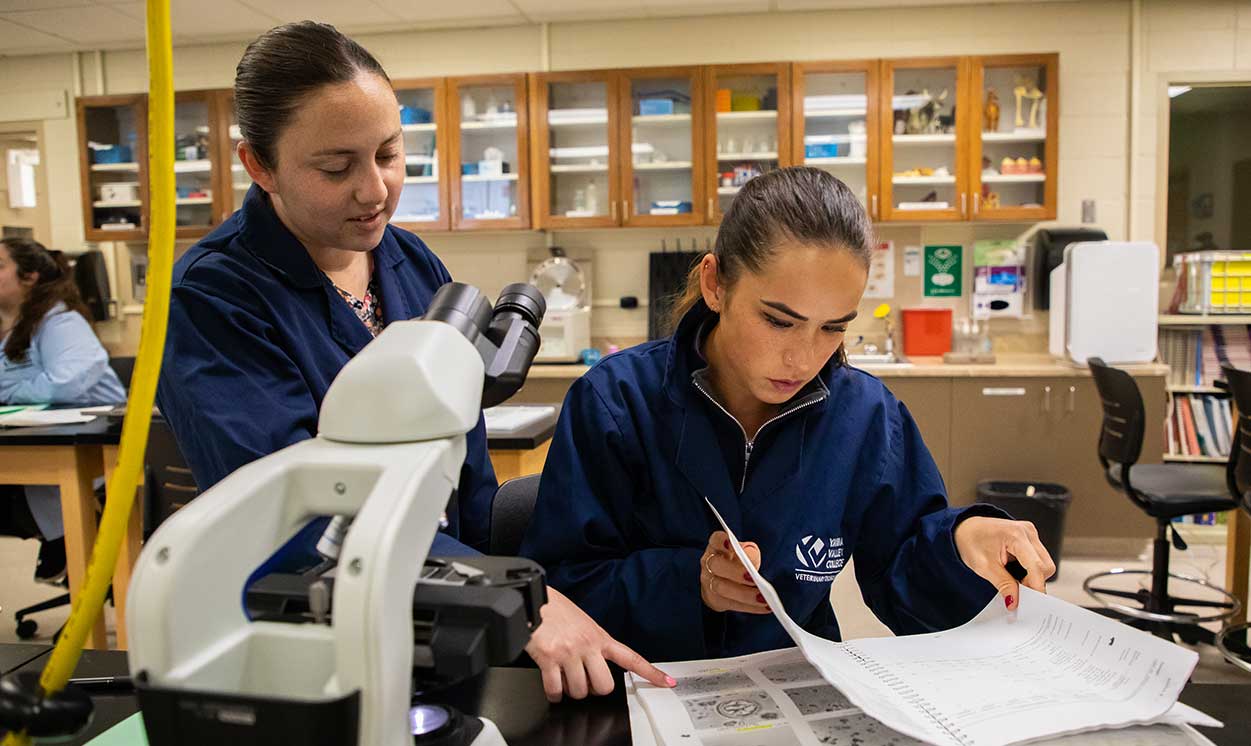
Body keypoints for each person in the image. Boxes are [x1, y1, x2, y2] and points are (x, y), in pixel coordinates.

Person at [155, 21, 672, 702]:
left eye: (389, 154)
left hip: (433, 613)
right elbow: (294, 517)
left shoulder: (408, 259)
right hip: (310, 628)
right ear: (259, 165)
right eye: (336, 168)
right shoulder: (213, 295)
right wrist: (507, 598)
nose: (374, 191)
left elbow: (463, 466)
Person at [520, 167, 1056, 662]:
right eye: (779, 321)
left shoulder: (864, 416)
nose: (803, 359)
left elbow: (905, 570)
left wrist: (963, 543)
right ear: (715, 284)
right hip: (644, 688)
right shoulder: (616, 401)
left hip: (796, 684)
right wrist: (692, 583)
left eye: (833, 327)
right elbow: (561, 589)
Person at [0, 237, 126, 583]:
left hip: (90, 450)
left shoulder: (60, 322)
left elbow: (63, 383)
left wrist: (9, 392)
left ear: (30, 277)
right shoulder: (6, 328)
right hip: (27, 445)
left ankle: (74, 553)